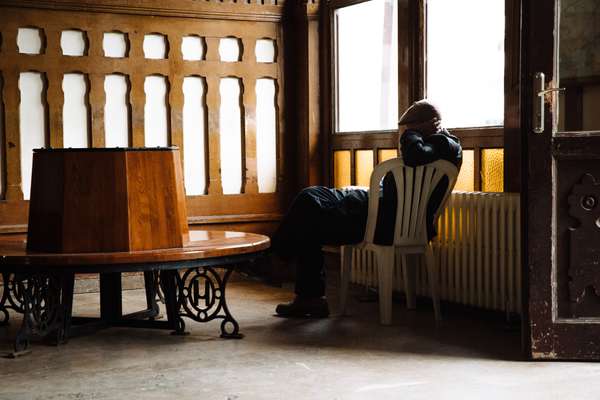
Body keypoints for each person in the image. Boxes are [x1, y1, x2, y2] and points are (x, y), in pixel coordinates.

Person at [271, 99, 462, 318]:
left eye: (411, 128)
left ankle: (282, 260)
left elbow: (413, 155)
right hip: (376, 210)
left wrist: (410, 134)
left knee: (309, 201)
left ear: (432, 123)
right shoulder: (436, 146)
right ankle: (306, 293)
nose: (406, 134)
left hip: (381, 219)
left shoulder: (446, 143)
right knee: (310, 207)